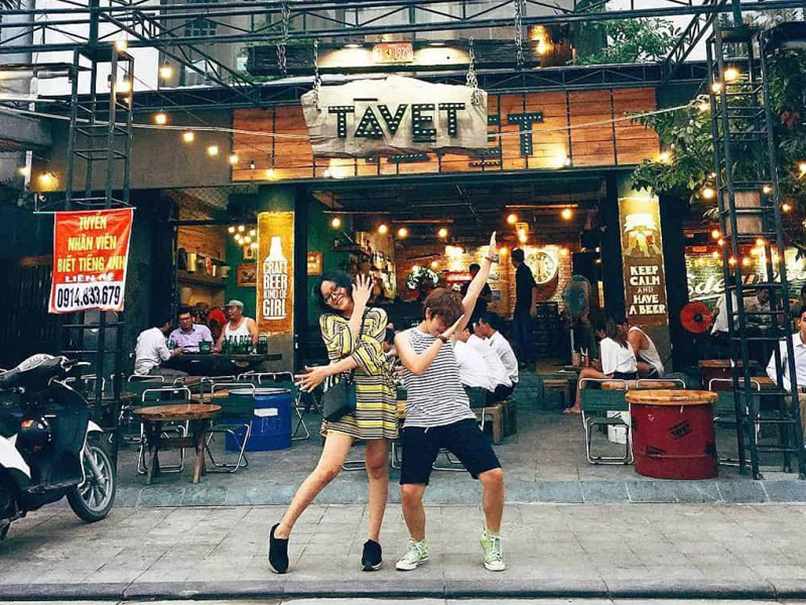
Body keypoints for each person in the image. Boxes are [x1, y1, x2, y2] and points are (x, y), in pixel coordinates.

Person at [268, 273, 397, 574]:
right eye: (327, 296)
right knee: (328, 468)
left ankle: (372, 542)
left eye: (336, 289)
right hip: (344, 397)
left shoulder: (378, 314)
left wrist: (326, 370)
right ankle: (281, 530)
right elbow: (344, 346)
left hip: (376, 394)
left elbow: (369, 354)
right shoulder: (328, 321)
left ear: (348, 285)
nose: (334, 296)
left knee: (377, 468)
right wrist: (358, 310)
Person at [393, 232, 506, 573]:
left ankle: (492, 540)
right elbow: (416, 367)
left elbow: (472, 293)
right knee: (410, 492)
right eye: (440, 322)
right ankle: (418, 545)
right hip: (420, 422)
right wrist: (443, 338)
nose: (444, 328)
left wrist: (488, 260)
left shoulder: (451, 328)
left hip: (457, 416)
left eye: (449, 324)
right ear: (427, 313)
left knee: (494, 476)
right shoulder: (404, 338)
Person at [566, 315, 637, 414]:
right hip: (631, 376)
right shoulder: (627, 343)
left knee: (584, 373)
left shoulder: (605, 342)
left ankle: (577, 406)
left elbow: (607, 370)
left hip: (617, 377)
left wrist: (597, 365)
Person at [766, 306, 806, 437]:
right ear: (798, 323)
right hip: (795, 392)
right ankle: (803, 443)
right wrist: (790, 387)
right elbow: (772, 368)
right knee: (804, 401)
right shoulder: (786, 342)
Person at [455, 326, 513, 403]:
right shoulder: (471, 342)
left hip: (494, 388)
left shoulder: (469, 344)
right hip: (493, 387)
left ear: (466, 331)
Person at [473, 313, 518, 399]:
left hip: (506, 382)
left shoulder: (498, 343)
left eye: (480, 325)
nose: (478, 328)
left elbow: (486, 363)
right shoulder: (489, 339)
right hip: (500, 378)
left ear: (487, 325)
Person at [510, 248, 537, 367]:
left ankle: (528, 359)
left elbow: (533, 287)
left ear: (513, 259)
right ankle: (524, 359)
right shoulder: (521, 270)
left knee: (524, 334)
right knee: (520, 333)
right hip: (521, 305)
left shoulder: (524, 270)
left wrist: (533, 306)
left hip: (525, 306)